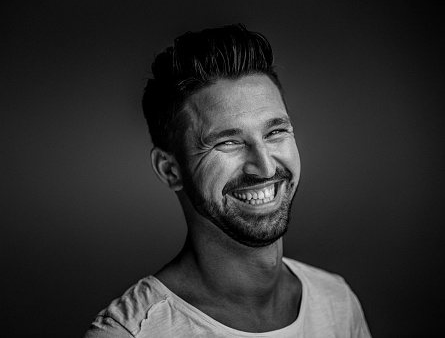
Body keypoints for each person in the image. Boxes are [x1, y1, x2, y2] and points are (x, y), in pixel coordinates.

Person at [84, 23, 371, 337]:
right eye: (228, 142)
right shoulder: (131, 332)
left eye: (275, 132)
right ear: (170, 169)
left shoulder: (337, 301)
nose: (263, 167)